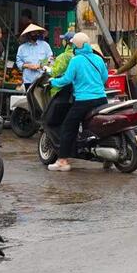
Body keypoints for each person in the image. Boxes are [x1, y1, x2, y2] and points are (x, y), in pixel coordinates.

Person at [47, 32, 109, 171]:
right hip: (101, 99)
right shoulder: (98, 59)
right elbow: (105, 78)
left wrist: (53, 82)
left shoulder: (76, 60)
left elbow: (66, 79)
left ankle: (62, 160)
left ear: (76, 46)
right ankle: (106, 158)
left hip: (84, 101)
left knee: (68, 127)